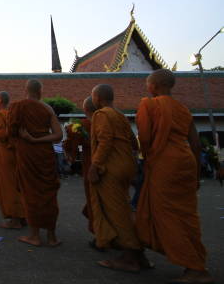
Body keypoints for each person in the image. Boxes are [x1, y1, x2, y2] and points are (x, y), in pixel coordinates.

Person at [136, 69, 214, 284]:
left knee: (168, 216)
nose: (147, 87)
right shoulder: (183, 109)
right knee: (186, 215)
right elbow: (196, 144)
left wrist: (147, 162)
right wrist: (197, 174)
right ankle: (194, 261)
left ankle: (195, 268)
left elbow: (145, 140)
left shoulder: (149, 105)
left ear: (153, 86)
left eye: (147, 84)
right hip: (186, 161)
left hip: (164, 163)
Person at [89, 84, 148, 273]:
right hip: (126, 165)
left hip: (111, 167)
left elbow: (105, 140)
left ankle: (130, 256)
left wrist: (95, 165)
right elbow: (133, 141)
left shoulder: (102, 114)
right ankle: (140, 256)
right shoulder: (120, 115)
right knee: (123, 207)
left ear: (97, 98)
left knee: (117, 212)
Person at [8, 79, 62, 247]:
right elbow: (58, 135)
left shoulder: (18, 107)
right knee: (48, 194)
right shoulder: (47, 108)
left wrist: (30, 139)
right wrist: (39, 140)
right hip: (45, 154)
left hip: (28, 154)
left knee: (31, 193)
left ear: (26, 90)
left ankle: (34, 236)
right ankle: (52, 237)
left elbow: (11, 132)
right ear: (41, 91)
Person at [0, 91, 26, 229]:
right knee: (16, 184)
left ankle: (15, 219)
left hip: (5, 154)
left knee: (8, 187)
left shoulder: (0, 114)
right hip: (13, 153)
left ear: (0, 100)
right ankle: (22, 215)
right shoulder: (11, 114)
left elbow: (4, 134)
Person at [62, 97, 97, 244]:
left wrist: (69, 153)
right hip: (115, 165)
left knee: (96, 199)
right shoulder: (118, 118)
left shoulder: (82, 125)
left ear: (85, 109)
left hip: (93, 166)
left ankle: (102, 236)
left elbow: (71, 144)